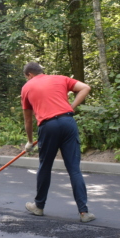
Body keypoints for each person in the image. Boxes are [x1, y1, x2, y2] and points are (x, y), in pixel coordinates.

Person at [21, 62, 95, 223]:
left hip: (48, 126)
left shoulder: (27, 87)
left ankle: (39, 207)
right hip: (68, 123)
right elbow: (85, 88)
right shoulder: (60, 78)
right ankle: (84, 212)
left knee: (45, 166)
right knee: (74, 169)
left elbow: (28, 120)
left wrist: (29, 142)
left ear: (29, 75)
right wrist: (72, 106)